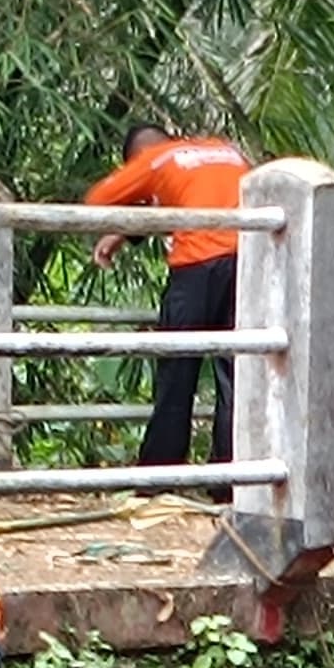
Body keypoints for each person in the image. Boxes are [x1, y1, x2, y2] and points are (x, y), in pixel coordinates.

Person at [79, 123, 254, 471]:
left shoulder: (155, 158)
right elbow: (196, 196)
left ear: (136, 157)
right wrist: (129, 232)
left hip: (196, 268)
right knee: (238, 374)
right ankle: (231, 480)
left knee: (177, 370)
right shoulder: (226, 150)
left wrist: (130, 214)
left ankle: (160, 474)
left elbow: (96, 202)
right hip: (250, 264)